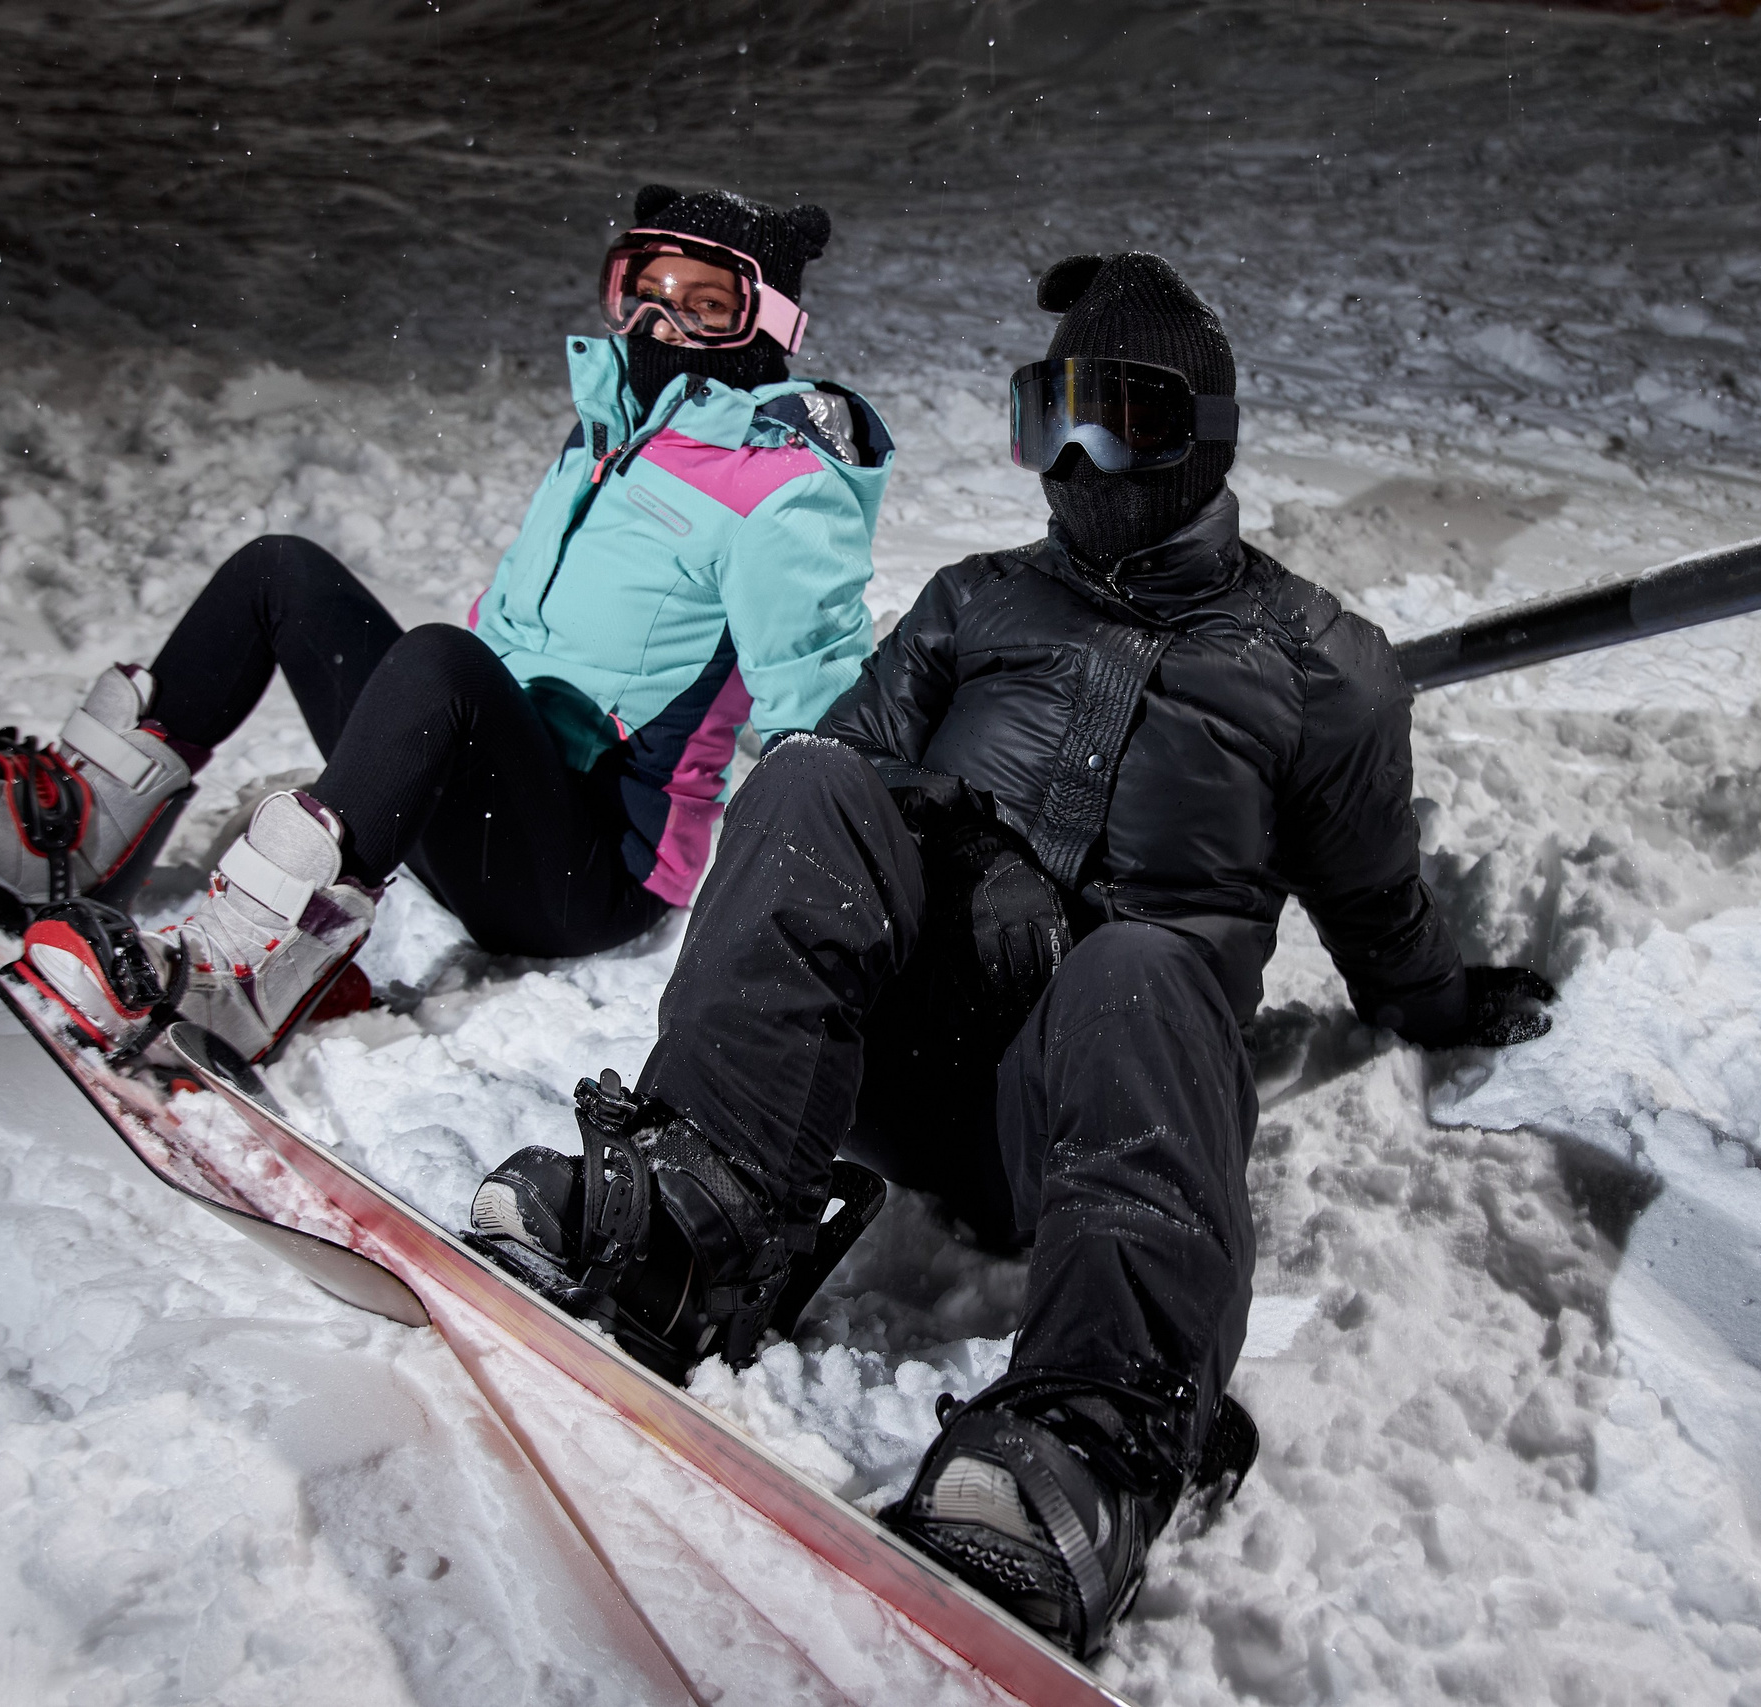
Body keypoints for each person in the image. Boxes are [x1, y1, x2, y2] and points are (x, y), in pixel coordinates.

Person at [465, 252, 1554, 1658]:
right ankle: (693, 1220)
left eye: (1129, 418)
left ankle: (1097, 1433)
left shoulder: (1321, 666)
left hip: (1085, 1107)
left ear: (1206, 435)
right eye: (1055, 415)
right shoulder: (975, 601)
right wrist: (963, 853)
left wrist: (1441, 999)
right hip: (875, 1058)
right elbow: (841, 777)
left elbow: (1372, 896)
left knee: (1143, 965)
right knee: (802, 781)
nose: (1084, 458)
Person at [0, 185, 892, 1064]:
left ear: (769, 323)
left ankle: (245, 975)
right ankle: (78, 832)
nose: (659, 325)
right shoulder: (611, 434)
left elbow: (822, 719)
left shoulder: (783, 489)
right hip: (473, 804)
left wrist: (869, 889)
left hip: (587, 874)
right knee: (281, 571)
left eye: (705, 304)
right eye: (644, 290)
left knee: (440, 659)